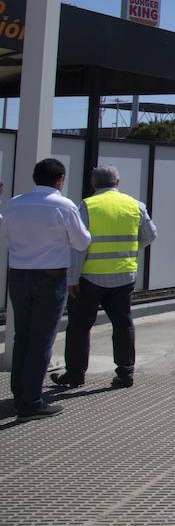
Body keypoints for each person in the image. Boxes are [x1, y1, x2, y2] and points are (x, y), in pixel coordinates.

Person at [1, 159, 91, 421]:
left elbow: (4, 232)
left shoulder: (15, 203)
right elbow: (81, 241)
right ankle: (31, 402)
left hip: (18, 275)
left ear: (34, 177)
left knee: (23, 337)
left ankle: (19, 395)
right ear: (60, 179)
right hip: (50, 277)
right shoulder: (63, 205)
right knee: (42, 339)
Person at [52, 165, 156, 391]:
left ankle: (75, 374)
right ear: (117, 182)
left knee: (79, 325)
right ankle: (125, 373)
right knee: (123, 324)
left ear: (93, 183)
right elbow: (150, 235)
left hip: (91, 277)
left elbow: (79, 247)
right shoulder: (135, 205)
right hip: (124, 275)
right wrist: (129, 250)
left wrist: (72, 278)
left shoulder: (87, 205)